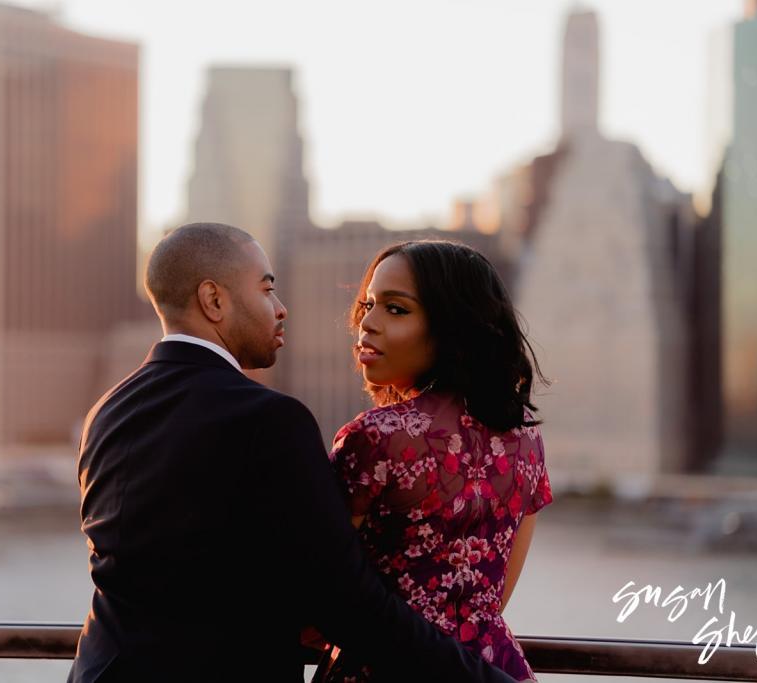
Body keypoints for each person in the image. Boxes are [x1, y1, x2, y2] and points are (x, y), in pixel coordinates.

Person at [66, 223, 517, 683]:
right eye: (267, 290)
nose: (281, 310)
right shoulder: (270, 420)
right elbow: (349, 604)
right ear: (214, 300)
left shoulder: (105, 413)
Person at [320, 241, 553, 683]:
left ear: (451, 326)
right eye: (368, 305)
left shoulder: (374, 438)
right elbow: (495, 598)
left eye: (396, 309)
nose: (366, 323)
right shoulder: (525, 435)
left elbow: (325, 592)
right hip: (493, 668)